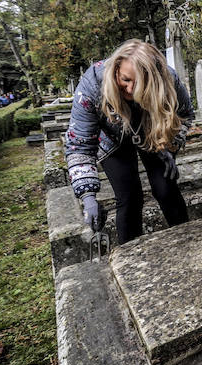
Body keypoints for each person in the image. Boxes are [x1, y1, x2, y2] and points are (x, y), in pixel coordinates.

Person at [64, 39, 194, 244]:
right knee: (129, 197)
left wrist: (170, 145)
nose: (131, 89)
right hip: (112, 138)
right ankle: (130, 257)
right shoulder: (92, 84)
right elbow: (79, 144)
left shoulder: (168, 78)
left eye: (140, 83)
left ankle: (188, 241)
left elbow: (185, 115)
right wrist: (87, 196)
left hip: (152, 132)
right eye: (125, 80)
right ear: (115, 69)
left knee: (165, 187)